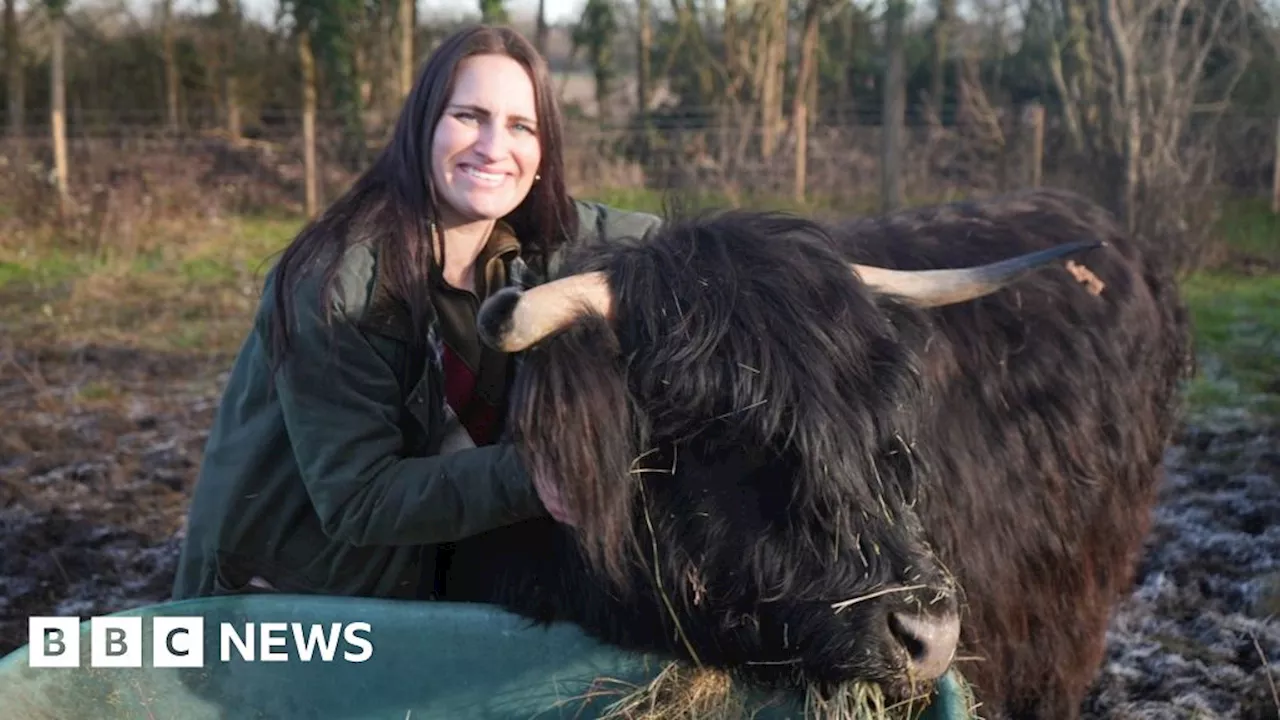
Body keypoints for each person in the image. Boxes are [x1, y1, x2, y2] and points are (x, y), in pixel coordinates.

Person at [170, 25, 662, 601]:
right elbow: (360, 500)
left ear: (542, 151)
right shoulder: (337, 284)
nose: (493, 147)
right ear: (424, 126)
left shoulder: (531, 240)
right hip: (288, 599)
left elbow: (670, 247)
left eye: (520, 126)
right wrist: (538, 475)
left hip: (415, 587)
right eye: (470, 116)